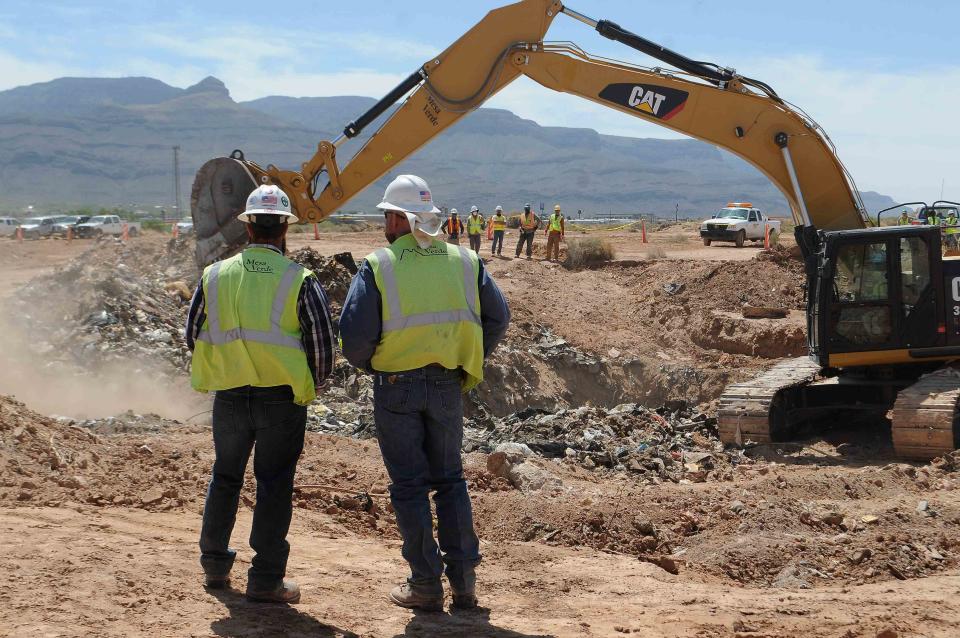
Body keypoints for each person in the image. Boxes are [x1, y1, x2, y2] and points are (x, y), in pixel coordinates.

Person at [339, 174, 510, 612]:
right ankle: (465, 583)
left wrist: (377, 364)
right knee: (450, 480)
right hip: (447, 383)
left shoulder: (379, 264)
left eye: (387, 216)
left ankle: (425, 584)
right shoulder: (465, 261)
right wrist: (467, 354)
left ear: (398, 218)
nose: (385, 224)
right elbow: (498, 318)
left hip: (396, 386)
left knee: (410, 485)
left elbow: (354, 338)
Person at [186, 184, 336, 604]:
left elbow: (191, 333)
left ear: (248, 228)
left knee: (226, 476)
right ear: (285, 228)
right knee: (273, 484)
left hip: (230, 397)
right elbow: (323, 347)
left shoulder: (214, 275)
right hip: (280, 401)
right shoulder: (300, 280)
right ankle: (266, 578)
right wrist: (310, 384)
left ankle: (215, 566)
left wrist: (230, 363)